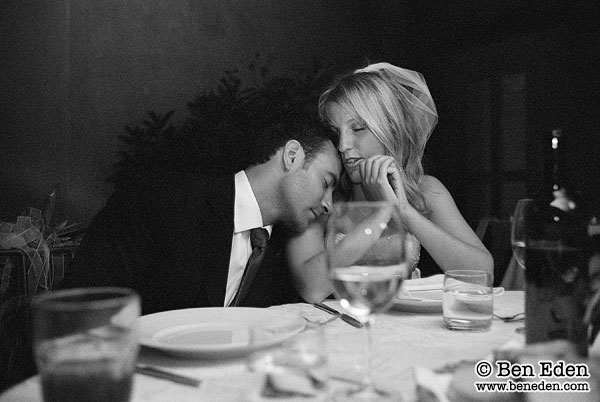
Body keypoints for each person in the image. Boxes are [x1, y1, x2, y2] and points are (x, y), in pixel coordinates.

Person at [60, 111, 342, 314]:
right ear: (292, 156)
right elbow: (77, 307)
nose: (328, 203)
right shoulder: (157, 200)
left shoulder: (282, 249)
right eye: (326, 183)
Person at [287, 62, 493, 303]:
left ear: (389, 129)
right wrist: (382, 216)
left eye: (358, 128)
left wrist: (404, 211)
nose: (343, 145)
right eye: (335, 133)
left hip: (407, 329)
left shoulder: (426, 190)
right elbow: (311, 288)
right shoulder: (322, 196)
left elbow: (482, 274)